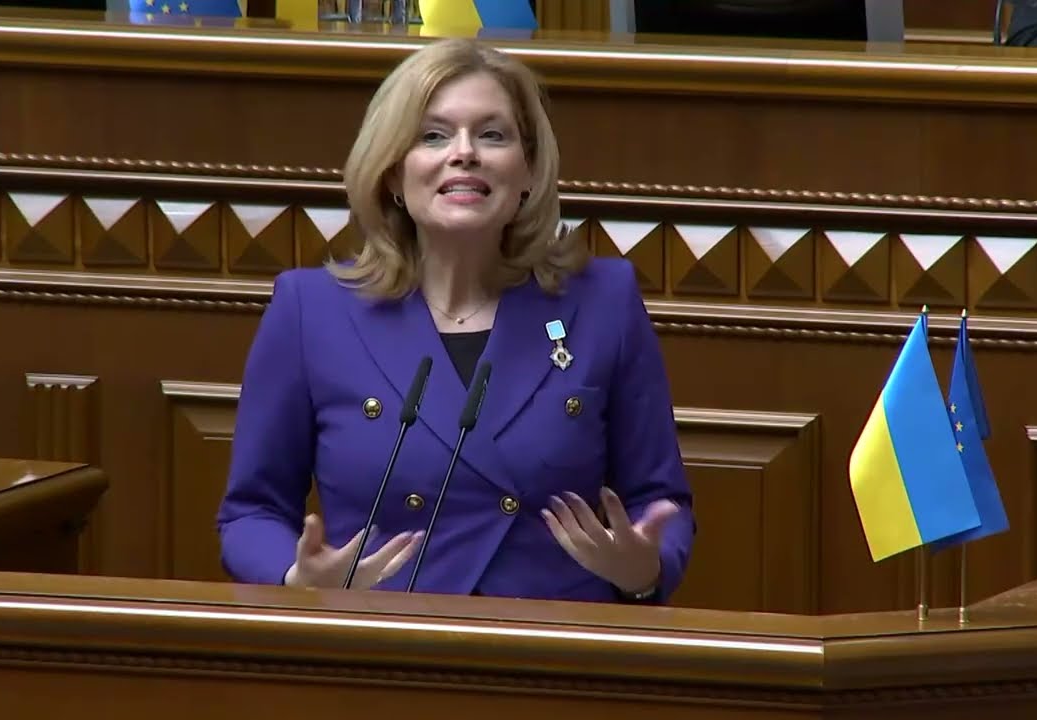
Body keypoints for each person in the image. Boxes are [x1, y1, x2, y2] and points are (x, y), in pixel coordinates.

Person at [216, 37, 695, 604]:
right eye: (433, 136)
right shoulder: (311, 309)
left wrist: (644, 571)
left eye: (492, 135)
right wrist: (297, 580)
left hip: (557, 638)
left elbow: (658, 501)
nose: (464, 153)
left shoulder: (603, 300)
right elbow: (251, 512)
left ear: (529, 171)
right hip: (386, 638)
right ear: (392, 173)